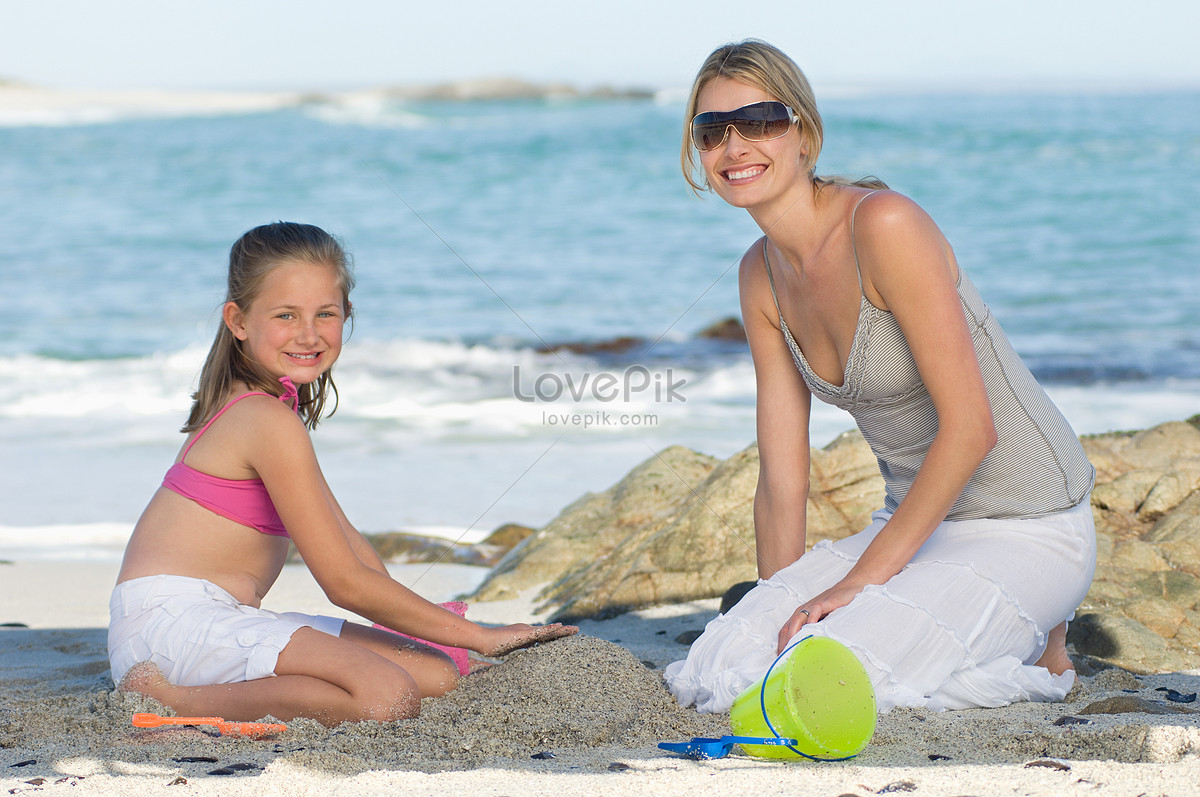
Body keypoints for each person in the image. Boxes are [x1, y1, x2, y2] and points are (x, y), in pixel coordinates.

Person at [663, 40, 1096, 714]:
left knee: (844, 669)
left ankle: (1042, 635)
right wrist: (785, 603)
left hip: (1028, 521)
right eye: (712, 130)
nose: (735, 145)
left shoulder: (886, 225)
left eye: (760, 121)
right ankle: (1007, 631)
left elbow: (972, 429)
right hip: (916, 527)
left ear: (802, 131)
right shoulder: (759, 275)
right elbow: (783, 476)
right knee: (725, 663)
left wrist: (856, 586)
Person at [110, 221, 576, 726]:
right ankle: (169, 699)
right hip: (170, 627)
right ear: (238, 320)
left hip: (210, 621)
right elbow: (343, 583)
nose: (309, 334)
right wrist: (482, 635)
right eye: (286, 315)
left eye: (325, 314)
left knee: (435, 674)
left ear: (346, 316)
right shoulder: (264, 419)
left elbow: (353, 550)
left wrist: (431, 634)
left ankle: (243, 688)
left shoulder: (264, 410)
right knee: (386, 696)